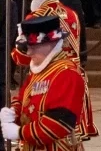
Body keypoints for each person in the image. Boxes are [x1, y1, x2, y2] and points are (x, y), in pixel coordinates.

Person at [11, 0, 96, 140]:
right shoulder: (72, 14)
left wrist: (16, 52)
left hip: (48, 75)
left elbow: (22, 57)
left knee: (48, 125)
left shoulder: (35, 17)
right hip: (73, 70)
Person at [1, 16, 86, 150]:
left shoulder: (67, 74)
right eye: (27, 46)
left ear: (52, 43)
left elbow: (59, 123)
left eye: (34, 46)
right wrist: (14, 111)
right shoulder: (39, 69)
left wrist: (20, 133)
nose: (28, 52)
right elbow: (24, 98)